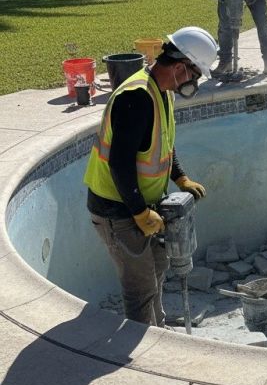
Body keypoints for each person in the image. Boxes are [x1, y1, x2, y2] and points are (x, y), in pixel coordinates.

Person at [83, 27, 218, 327]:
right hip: (117, 209)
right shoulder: (137, 98)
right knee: (140, 288)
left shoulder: (161, 91)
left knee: (158, 265)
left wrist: (180, 177)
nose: (194, 83)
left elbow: (163, 144)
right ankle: (145, 357)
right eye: (195, 76)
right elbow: (119, 163)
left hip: (136, 204)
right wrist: (140, 213)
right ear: (181, 67)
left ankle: (155, 330)